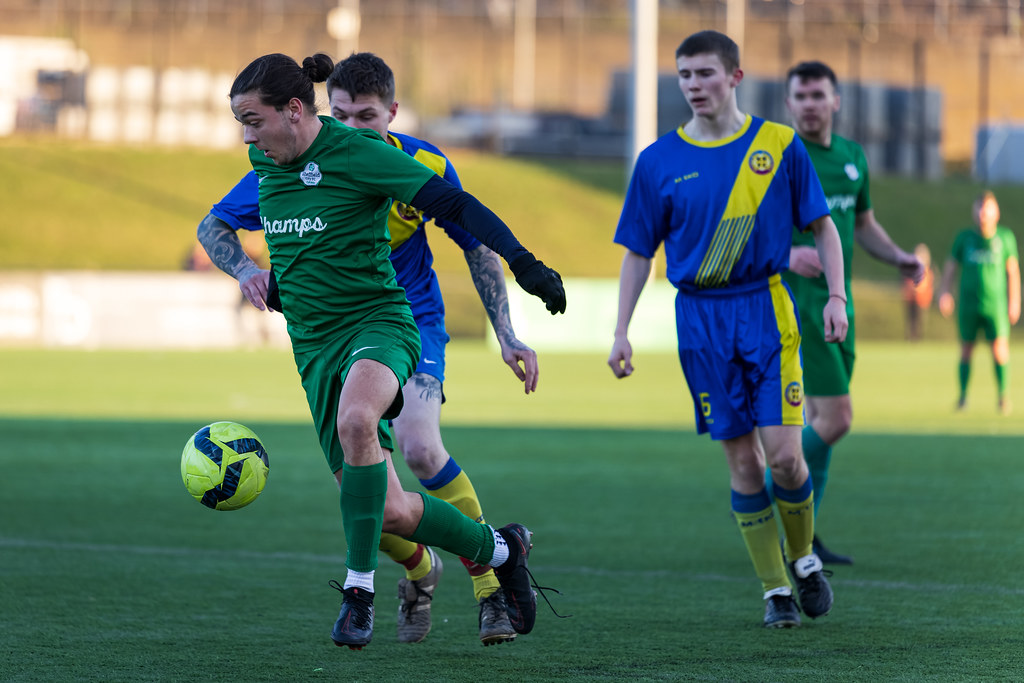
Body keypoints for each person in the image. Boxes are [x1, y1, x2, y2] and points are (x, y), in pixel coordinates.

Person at [212, 51, 566, 650]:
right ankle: (501, 550)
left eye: (252, 119)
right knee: (388, 511)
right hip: (315, 347)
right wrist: (251, 271)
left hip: (386, 321)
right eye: (241, 123)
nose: (246, 135)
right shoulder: (264, 161)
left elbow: (456, 208)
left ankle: (360, 594)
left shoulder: (364, 154)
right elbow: (218, 225)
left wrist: (524, 266)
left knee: (387, 432)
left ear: (294, 110)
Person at [608, 30, 846, 629]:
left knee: (787, 459)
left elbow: (824, 228)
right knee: (742, 464)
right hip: (699, 321)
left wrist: (837, 297)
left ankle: (803, 558)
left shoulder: (778, 145)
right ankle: (775, 592)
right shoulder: (657, 161)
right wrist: (621, 330)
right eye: (684, 75)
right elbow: (639, 252)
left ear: (735, 77)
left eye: (705, 74)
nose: (694, 86)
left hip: (766, 311)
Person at [767, 60, 925, 565]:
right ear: (788, 104)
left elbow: (863, 224)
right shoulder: (775, 158)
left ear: (836, 101)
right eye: (801, 96)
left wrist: (898, 255)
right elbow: (749, 229)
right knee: (837, 419)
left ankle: (803, 537)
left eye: (819, 95)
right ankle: (764, 482)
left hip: (839, 302)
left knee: (819, 421)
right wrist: (789, 256)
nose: (810, 104)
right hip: (796, 306)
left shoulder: (853, 157)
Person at [938, 190, 1021, 414]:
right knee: (966, 349)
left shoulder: (1005, 238)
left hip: (996, 305)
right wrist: (945, 292)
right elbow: (950, 268)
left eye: (988, 208)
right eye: (980, 208)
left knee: (999, 350)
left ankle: (1003, 398)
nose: (983, 213)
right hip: (968, 304)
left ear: (997, 212)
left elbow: (1012, 271)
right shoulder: (964, 238)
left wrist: (1015, 301)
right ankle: (963, 397)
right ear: (974, 212)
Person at [903, 243, 936, 342]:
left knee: (920, 321)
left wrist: (918, 289)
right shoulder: (910, 269)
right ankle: (911, 338)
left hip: (922, 300)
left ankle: (918, 339)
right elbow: (907, 282)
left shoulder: (927, 270)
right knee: (911, 320)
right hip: (911, 298)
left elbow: (926, 284)